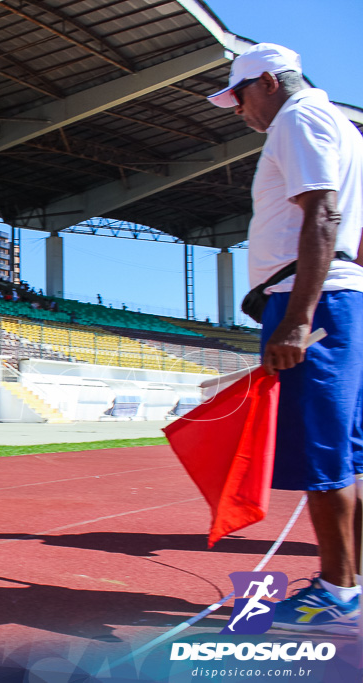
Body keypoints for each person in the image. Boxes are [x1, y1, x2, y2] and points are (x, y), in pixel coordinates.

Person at [208, 43, 363, 633]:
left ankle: (336, 595)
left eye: (241, 96)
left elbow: (322, 214)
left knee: (324, 457)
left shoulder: (298, 120)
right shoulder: (344, 129)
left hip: (311, 301)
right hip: (341, 299)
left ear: (268, 82)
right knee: (349, 455)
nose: (239, 111)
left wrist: (298, 319)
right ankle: (347, 585)